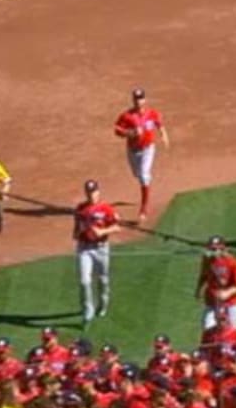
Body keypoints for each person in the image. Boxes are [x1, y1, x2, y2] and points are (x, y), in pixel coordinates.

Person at [112, 88, 168, 221]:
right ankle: (145, 178)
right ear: (133, 100)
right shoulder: (126, 116)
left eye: (141, 98)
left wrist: (164, 135)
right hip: (132, 150)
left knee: (144, 176)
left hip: (148, 149)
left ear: (145, 99)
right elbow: (117, 130)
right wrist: (130, 133)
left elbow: (159, 124)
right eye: (136, 99)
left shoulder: (152, 114)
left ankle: (144, 209)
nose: (139, 101)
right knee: (137, 174)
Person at [72, 179, 120, 325]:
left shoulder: (106, 208)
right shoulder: (80, 209)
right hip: (85, 247)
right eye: (88, 192)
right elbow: (74, 233)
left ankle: (103, 303)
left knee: (103, 279)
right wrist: (81, 230)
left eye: (93, 192)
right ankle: (88, 310)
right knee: (84, 280)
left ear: (98, 192)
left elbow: (117, 227)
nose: (91, 195)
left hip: (101, 248)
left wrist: (102, 231)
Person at [195, 235, 236, 330]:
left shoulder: (232, 262)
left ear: (222, 248)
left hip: (231, 302)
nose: (213, 252)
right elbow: (203, 274)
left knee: (232, 330)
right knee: (207, 328)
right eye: (211, 249)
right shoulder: (207, 259)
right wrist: (198, 289)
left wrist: (228, 293)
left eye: (215, 249)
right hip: (212, 300)